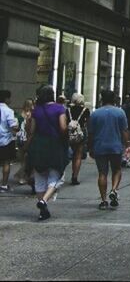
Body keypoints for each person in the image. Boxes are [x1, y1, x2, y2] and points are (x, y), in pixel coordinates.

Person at [26, 86, 68, 221]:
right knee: (56, 176)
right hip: (54, 145)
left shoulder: (36, 110)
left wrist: (27, 146)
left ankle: (42, 211)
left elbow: (31, 131)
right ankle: (44, 201)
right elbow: (62, 127)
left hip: (38, 145)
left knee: (39, 178)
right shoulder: (59, 108)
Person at [88, 89, 128, 210]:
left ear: (101, 99)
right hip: (116, 146)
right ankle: (114, 189)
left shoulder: (95, 114)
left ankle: (104, 200)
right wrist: (127, 144)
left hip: (100, 146)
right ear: (114, 99)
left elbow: (90, 133)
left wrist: (90, 147)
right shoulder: (120, 113)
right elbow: (124, 131)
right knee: (116, 170)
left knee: (102, 173)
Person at [66, 93, 90, 185]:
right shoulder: (85, 110)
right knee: (78, 155)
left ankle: (62, 174)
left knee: (69, 152)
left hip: (70, 132)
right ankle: (75, 176)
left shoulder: (67, 110)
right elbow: (88, 123)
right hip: (80, 133)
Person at [0, 90, 20, 192]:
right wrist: (17, 127)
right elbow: (13, 126)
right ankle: (3, 185)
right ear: (6, 99)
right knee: (6, 162)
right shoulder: (8, 111)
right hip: (5, 140)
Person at [14, 99, 34, 187]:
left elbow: (16, 127)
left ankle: (23, 175)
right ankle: (22, 176)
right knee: (27, 159)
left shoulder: (19, 115)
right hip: (28, 139)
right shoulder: (31, 115)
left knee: (23, 160)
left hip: (20, 139)